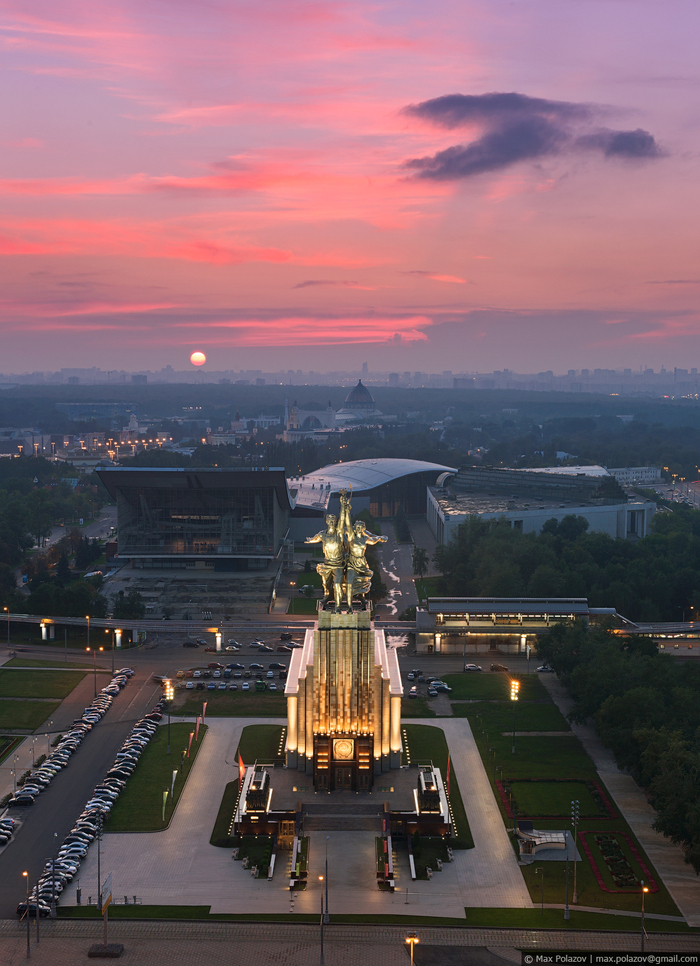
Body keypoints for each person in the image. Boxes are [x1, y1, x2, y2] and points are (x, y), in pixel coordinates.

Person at [304, 514, 345, 609]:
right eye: (329, 520)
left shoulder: (338, 533)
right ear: (326, 522)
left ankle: (338, 606)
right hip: (327, 564)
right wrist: (310, 540)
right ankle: (328, 596)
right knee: (326, 583)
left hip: (338, 564)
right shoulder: (322, 534)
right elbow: (315, 538)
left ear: (335, 522)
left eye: (333, 520)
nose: (331, 522)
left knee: (337, 584)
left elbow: (342, 519)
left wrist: (343, 506)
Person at [344, 520, 387, 609]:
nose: (359, 529)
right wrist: (346, 510)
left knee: (362, 581)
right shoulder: (351, 537)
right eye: (357, 527)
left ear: (363, 529)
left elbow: (372, 540)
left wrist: (379, 538)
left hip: (361, 563)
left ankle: (361, 597)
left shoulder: (365, 538)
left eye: (361, 528)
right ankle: (349, 605)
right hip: (352, 562)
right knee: (350, 582)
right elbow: (346, 525)